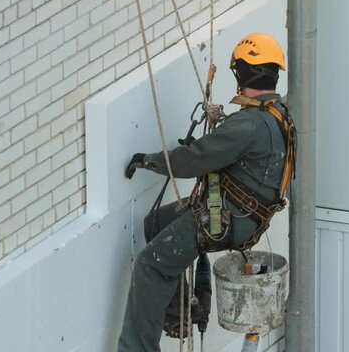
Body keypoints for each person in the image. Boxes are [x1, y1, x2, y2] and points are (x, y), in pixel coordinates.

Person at [118, 32, 295, 352]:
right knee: (156, 223)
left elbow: (193, 160)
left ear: (240, 73)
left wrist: (151, 161)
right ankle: (179, 313)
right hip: (244, 215)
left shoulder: (248, 125)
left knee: (151, 263)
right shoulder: (277, 116)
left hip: (225, 218)